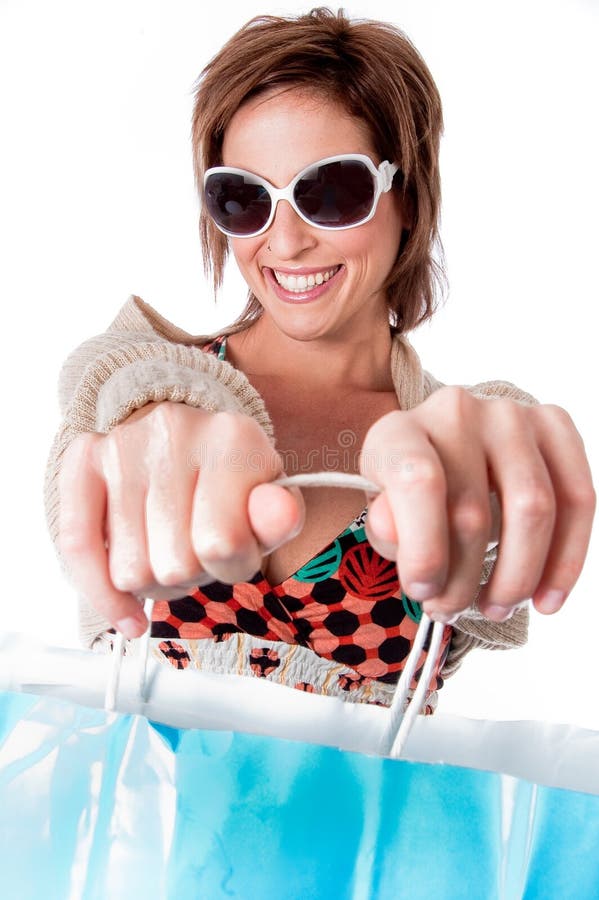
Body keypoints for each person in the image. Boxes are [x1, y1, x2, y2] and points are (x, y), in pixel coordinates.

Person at [45, 8, 594, 711]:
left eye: (330, 191)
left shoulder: (446, 440)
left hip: (366, 823)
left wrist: (496, 468)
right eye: (243, 198)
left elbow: (494, 544)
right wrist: (150, 410)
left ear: (408, 194)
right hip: (140, 817)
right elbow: (113, 393)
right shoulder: (139, 395)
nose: (285, 240)